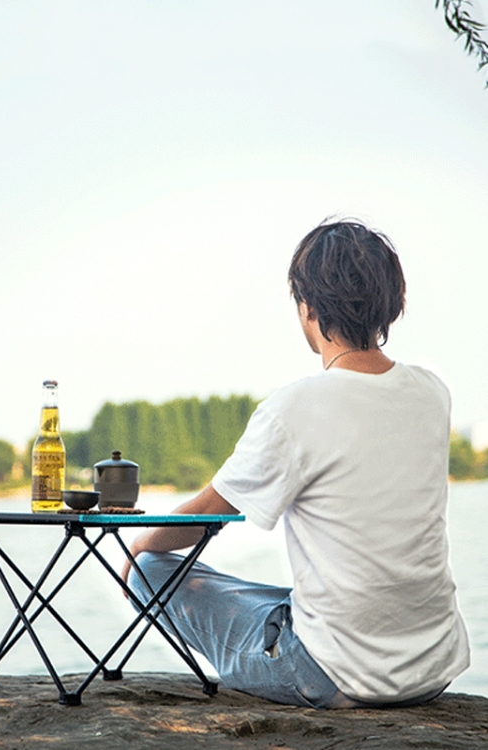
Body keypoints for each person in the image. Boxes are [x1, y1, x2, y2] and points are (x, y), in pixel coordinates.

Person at [122, 219, 470, 709]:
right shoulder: (434, 393)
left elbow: (205, 516)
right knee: (275, 597)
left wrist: (139, 545)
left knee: (149, 571)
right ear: (395, 303)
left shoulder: (296, 407)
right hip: (435, 667)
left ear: (307, 308)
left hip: (335, 675)